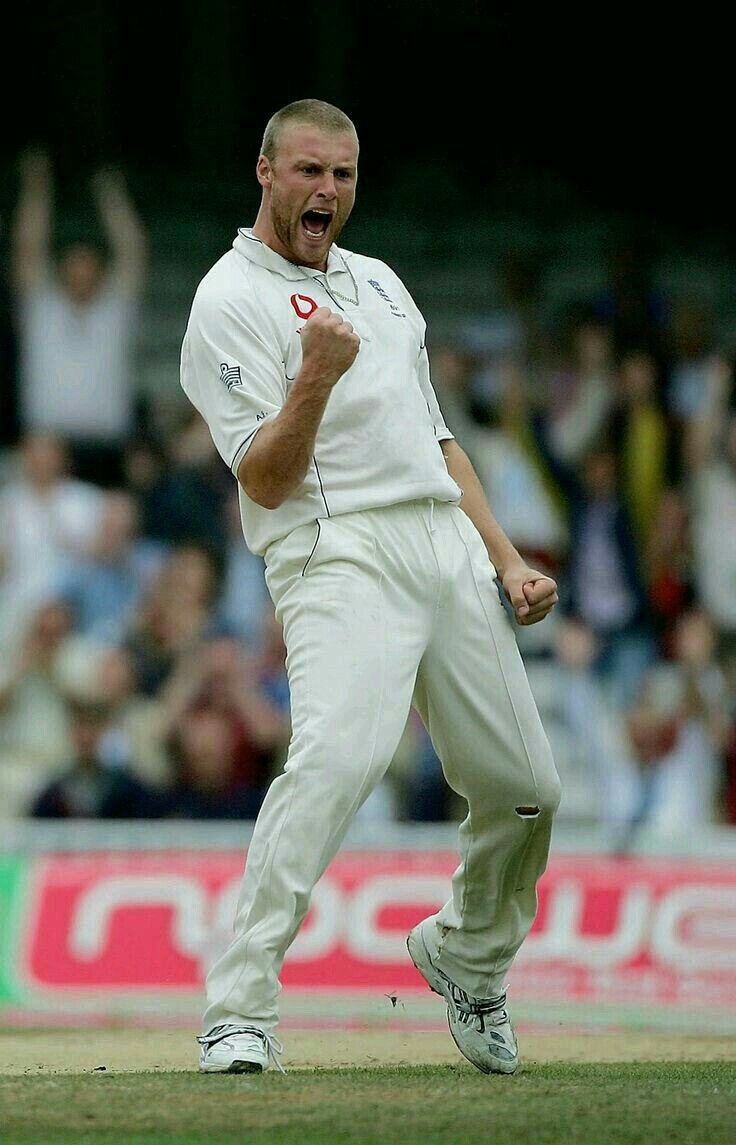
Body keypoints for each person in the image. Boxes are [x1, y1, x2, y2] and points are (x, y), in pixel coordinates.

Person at [181, 99, 560, 1077]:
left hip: (443, 543)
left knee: (527, 789)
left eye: (342, 174)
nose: (327, 190)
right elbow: (263, 479)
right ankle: (239, 1008)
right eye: (308, 170)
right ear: (265, 171)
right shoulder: (227, 298)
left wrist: (505, 556)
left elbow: (438, 442)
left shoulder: (382, 282)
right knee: (337, 761)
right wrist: (314, 376)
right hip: (335, 548)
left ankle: (468, 954)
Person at [11, 151, 147, 484]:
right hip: (47, 443)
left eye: (88, 269)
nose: (81, 277)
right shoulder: (44, 310)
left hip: (107, 447)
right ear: (61, 272)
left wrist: (111, 197)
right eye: (73, 269)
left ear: (100, 273)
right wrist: (36, 190)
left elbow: (133, 253)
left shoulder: (113, 313)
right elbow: (28, 250)